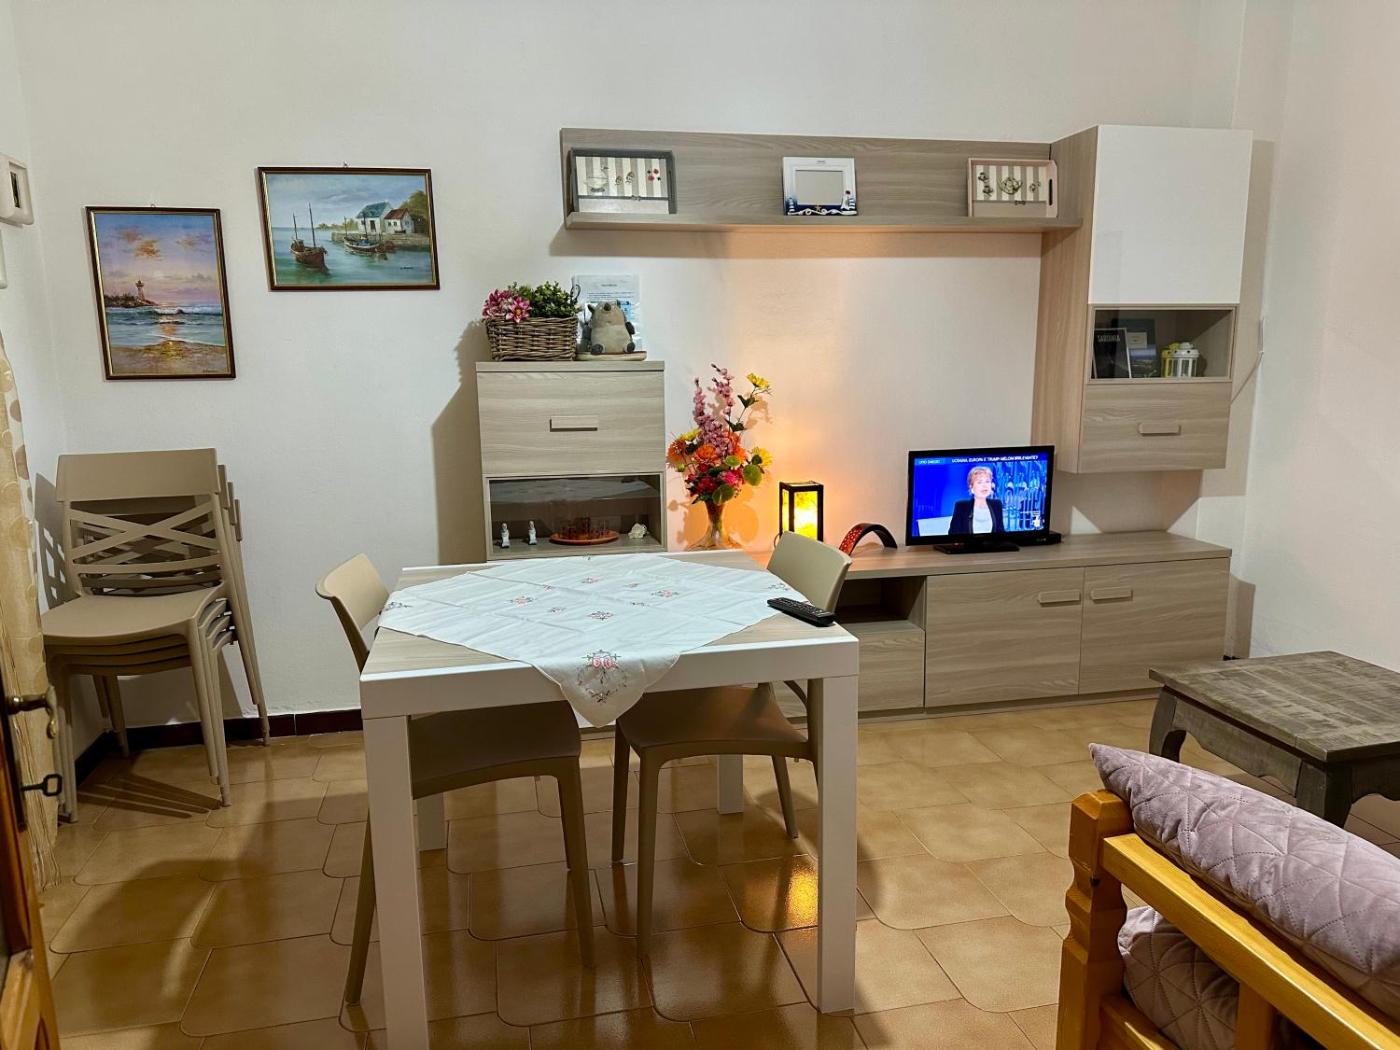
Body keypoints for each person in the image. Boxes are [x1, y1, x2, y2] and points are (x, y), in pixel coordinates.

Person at [948, 466, 1005, 535]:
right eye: (980, 482)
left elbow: (1001, 531)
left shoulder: (997, 505)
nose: (984, 485)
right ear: (971, 487)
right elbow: (953, 533)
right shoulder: (961, 507)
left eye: (987, 481)